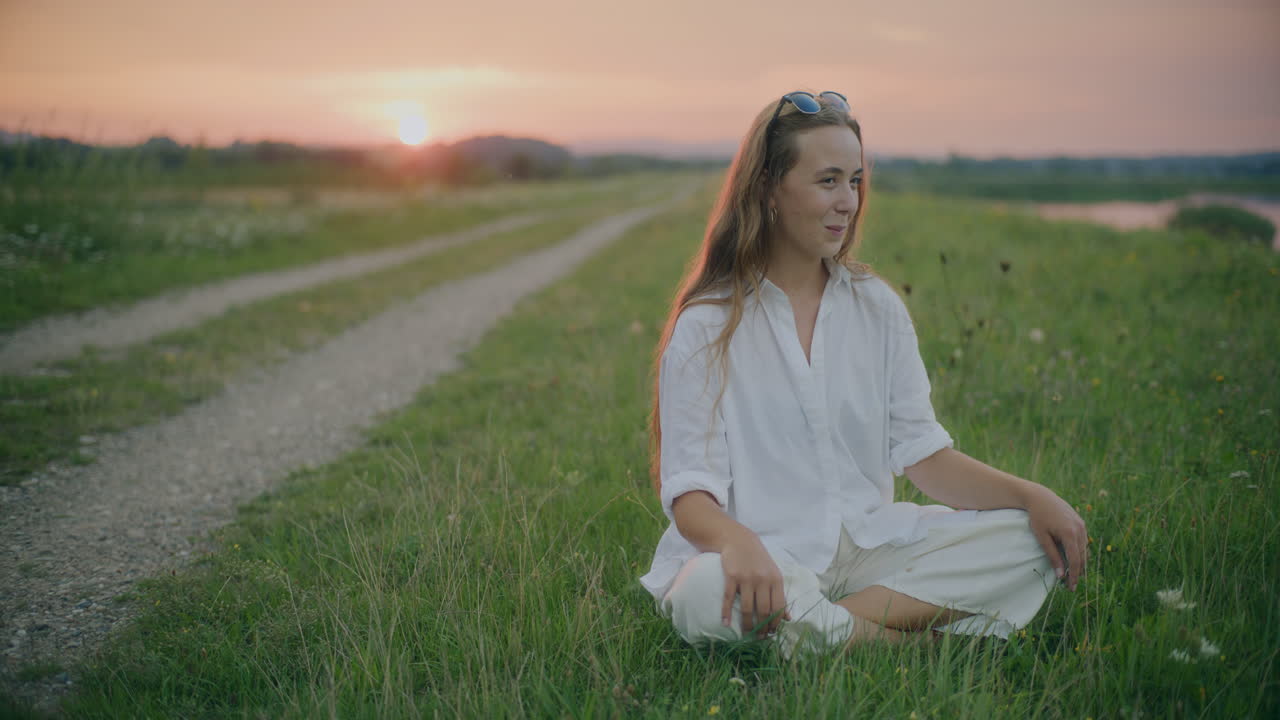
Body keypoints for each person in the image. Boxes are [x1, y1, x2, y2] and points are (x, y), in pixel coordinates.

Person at [638, 90, 1088, 658]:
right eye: (828, 181)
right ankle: (911, 648)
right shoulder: (708, 324)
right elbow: (690, 495)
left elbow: (924, 456)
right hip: (762, 558)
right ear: (768, 189)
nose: (848, 202)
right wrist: (740, 544)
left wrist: (1032, 495)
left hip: (870, 551)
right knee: (703, 592)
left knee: (1028, 539)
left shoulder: (877, 308)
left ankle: (823, 632)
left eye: (854, 181)